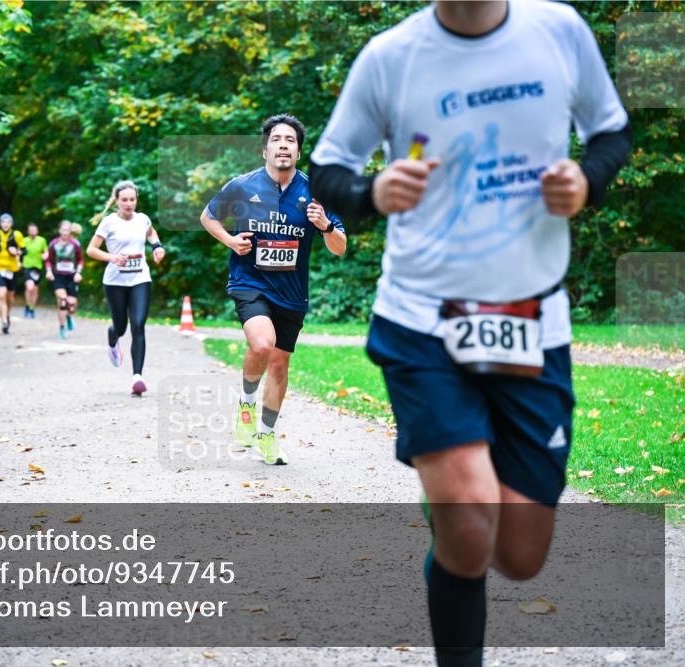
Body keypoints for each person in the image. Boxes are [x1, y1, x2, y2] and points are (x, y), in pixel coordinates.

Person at [308, 1, 631, 664]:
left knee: (518, 552)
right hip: (423, 315)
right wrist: (373, 192)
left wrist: (587, 180)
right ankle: (456, 508)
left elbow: (612, 133)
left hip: (532, 320)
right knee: (469, 528)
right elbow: (327, 172)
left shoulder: (560, 31)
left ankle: (453, 509)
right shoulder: (390, 56)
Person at [200, 114, 346, 466]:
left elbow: (340, 247)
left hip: (292, 292)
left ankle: (266, 433)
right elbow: (208, 216)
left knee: (279, 365)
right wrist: (231, 241)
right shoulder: (242, 185)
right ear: (265, 148)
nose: (283, 145)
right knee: (262, 344)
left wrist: (325, 226)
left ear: (298, 151)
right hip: (250, 282)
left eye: (291, 140)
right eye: (277, 139)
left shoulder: (315, 192)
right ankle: (246, 402)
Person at [86, 181, 166, 395]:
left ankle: (137, 376)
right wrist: (112, 257)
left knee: (138, 324)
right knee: (120, 327)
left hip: (140, 278)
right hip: (115, 282)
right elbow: (91, 250)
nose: (129, 203)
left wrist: (157, 247)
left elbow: (151, 233)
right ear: (117, 201)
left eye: (132, 199)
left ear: (136, 199)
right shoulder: (108, 223)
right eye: (124, 200)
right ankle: (113, 339)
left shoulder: (143, 219)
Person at [0, 213, 26, 335]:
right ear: (0, 223)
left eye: (8, 222)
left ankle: (7, 314)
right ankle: (3, 321)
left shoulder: (17, 235)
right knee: (1, 293)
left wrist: (17, 252)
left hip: (12, 269)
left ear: (11, 224)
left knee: (10, 297)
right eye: (3, 222)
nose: (5, 224)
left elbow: (24, 250)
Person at [45, 220, 84, 339]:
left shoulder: (75, 244)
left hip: (71, 277)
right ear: (59, 230)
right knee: (62, 301)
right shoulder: (53, 244)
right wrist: (49, 271)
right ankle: (62, 327)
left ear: (70, 231)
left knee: (71, 306)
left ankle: (68, 316)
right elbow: (48, 260)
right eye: (63, 230)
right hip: (58, 276)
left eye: (67, 230)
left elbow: (81, 260)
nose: (65, 232)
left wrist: (78, 273)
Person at [22, 223, 49, 319]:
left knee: (35, 289)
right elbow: (19, 251)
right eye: (31, 230)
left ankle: (31, 308)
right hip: (27, 266)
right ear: (28, 231)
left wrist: (45, 255)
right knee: (29, 287)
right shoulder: (24, 240)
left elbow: (46, 251)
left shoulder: (42, 240)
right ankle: (28, 305)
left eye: (34, 230)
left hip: (37, 267)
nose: (32, 232)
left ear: (37, 231)